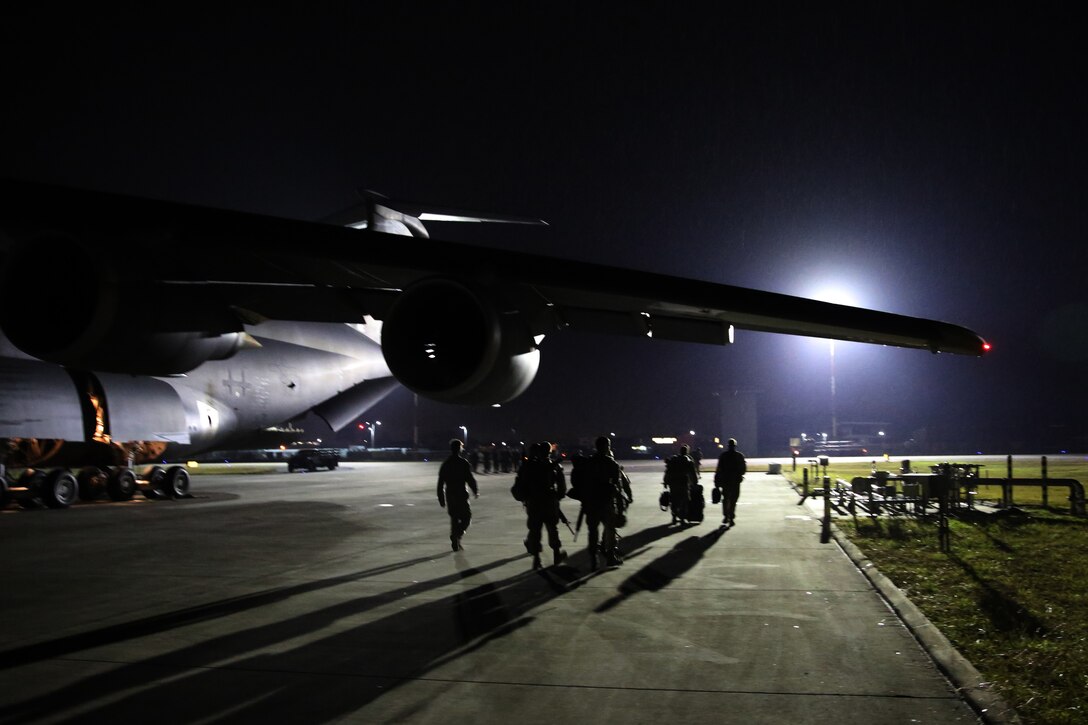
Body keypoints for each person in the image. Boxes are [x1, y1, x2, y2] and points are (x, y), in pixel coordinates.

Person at [580, 436, 633, 569]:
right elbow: (617, 486)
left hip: (592, 502)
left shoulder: (588, 462)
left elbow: (582, 483)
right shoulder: (611, 463)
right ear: (605, 447)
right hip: (606, 501)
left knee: (593, 531)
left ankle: (594, 559)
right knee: (610, 530)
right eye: (608, 445)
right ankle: (610, 557)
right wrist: (620, 507)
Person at [513, 441, 568, 569]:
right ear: (550, 451)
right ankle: (556, 554)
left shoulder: (529, 466)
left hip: (533, 502)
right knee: (552, 528)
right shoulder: (555, 466)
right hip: (549, 501)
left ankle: (536, 559)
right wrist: (557, 498)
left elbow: (521, 482)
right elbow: (562, 487)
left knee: (535, 530)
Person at [437, 438, 478, 550]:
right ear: (460, 449)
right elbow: (470, 479)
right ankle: (457, 535)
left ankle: (455, 537)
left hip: (450, 495)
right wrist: (475, 490)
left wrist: (441, 498)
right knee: (467, 517)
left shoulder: (446, 464)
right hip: (461, 494)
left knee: (454, 518)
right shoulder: (463, 463)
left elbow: (440, 483)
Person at [714, 438, 746, 527]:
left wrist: (717, 482)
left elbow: (719, 469)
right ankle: (731, 517)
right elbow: (743, 470)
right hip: (735, 481)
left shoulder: (723, 455)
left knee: (726, 499)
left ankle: (726, 516)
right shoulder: (739, 456)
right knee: (733, 500)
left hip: (726, 481)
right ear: (735, 446)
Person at [663, 444, 699, 525]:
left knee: (674, 500)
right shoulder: (688, 460)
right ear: (686, 452)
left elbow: (668, 471)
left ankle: (674, 517)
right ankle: (682, 518)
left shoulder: (674, 459)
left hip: (673, 483)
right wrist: (695, 482)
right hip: (683, 483)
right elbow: (692, 473)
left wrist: (665, 482)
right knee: (684, 501)